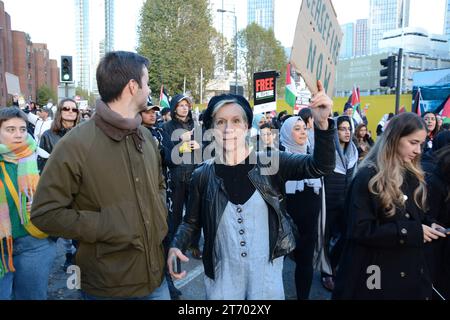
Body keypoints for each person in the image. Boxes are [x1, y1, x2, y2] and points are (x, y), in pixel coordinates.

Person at [167, 80, 336, 300]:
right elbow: (190, 221)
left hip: (267, 271)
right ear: (211, 128)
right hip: (222, 272)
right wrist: (176, 245)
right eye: (220, 122)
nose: (228, 129)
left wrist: (323, 124)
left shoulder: (271, 161)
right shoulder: (202, 175)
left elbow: (320, 166)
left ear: (247, 126)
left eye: (236, 121)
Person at [30, 51, 170, 300]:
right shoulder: (75, 144)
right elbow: (45, 213)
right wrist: (107, 224)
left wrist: (158, 213)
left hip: (156, 280)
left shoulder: (146, 136)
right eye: (147, 82)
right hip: (108, 287)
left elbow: (159, 184)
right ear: (132, 86)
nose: (149, 89)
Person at [333, 112, 447, 300]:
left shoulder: (411, 174)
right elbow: (359, 230)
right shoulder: (367, 177)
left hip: (406, 274)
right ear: (394, 139)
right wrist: (410, 231)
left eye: (421, 143)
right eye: (413, 142)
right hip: (374, 276)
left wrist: (430, 224)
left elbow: (413, 215)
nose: (419, 150)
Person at [0, 108, 56, 300]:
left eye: (22, 129)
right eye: (10, 129)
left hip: (34, 243)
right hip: (1, 246)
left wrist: (45, 206)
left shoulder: (40, 156)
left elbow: (60, 193)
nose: (18, 135)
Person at [280, 116, 326, 300]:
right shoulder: (278, 157)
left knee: (305, 263)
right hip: (283, 221)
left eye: (304, 129)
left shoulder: (313, 156)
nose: (302, 132)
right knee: (276, 264)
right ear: (286, 132)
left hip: (309, 221)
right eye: (297, 129)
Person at [162, 94, 203, 260]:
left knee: (195, 215)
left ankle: (194, 245)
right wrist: (181, 142)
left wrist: (200, 145)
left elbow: (206, 153)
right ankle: (175, 247)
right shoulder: (167, 127)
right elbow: (166, 155)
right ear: (174, 108)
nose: (184, 108)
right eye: (181, 105)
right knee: (176, 216)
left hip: (195, 176)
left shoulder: (197, 126)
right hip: (177, 178)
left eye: (187, 105)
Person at [321, 115, 358, 291]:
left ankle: (335, 265)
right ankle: (326, 273)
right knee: (325, 238)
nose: (347, 132)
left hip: (346, 203)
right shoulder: (327, 151)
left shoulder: (353, 152)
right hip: (328, 202)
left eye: (349, 128)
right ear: (335, 132)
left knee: (346, 236)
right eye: (342, 128)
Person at [38, 98, 80, 173]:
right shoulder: (47, 135)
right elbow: (42, 166)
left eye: (74, 109)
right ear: (59, 112)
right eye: (66, 109)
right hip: (57, 180)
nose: (70, 111)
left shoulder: (83, 133)